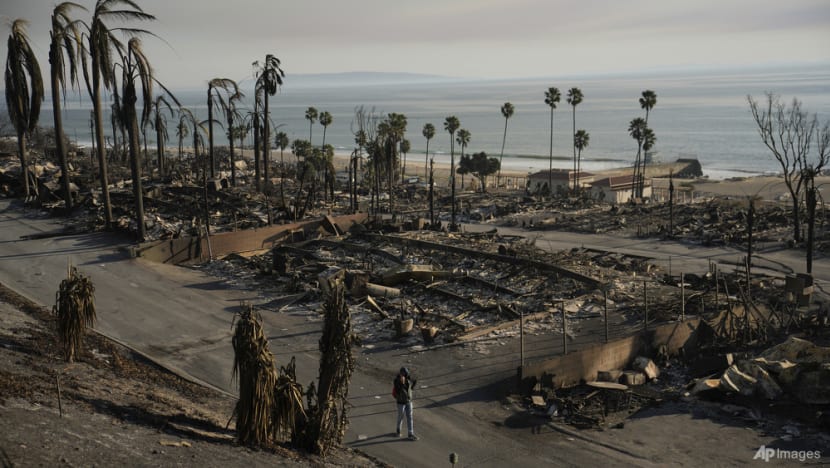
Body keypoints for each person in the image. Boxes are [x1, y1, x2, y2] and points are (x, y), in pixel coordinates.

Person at [393, 367, 418, 440]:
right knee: (400, 417)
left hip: (408, 401)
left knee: (410, 417)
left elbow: (414, 381)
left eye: (405, 373)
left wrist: (411, 388)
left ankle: (410, 433)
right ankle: (398, 430)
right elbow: (397, 390)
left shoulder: (408, 379)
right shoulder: (396, 380)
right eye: (403, 373)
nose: (404, 375)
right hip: (401, 403)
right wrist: (401, 383)